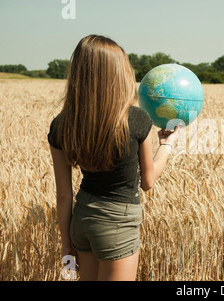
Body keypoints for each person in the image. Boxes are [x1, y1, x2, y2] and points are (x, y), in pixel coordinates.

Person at [48, 35, 180, 281]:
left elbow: (64, 195)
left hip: (82, 222)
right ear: (118, 74)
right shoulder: (136, 119)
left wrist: (66, 245)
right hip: (116, 225)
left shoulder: (61, 124)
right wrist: (166, 145)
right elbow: (148, 181)